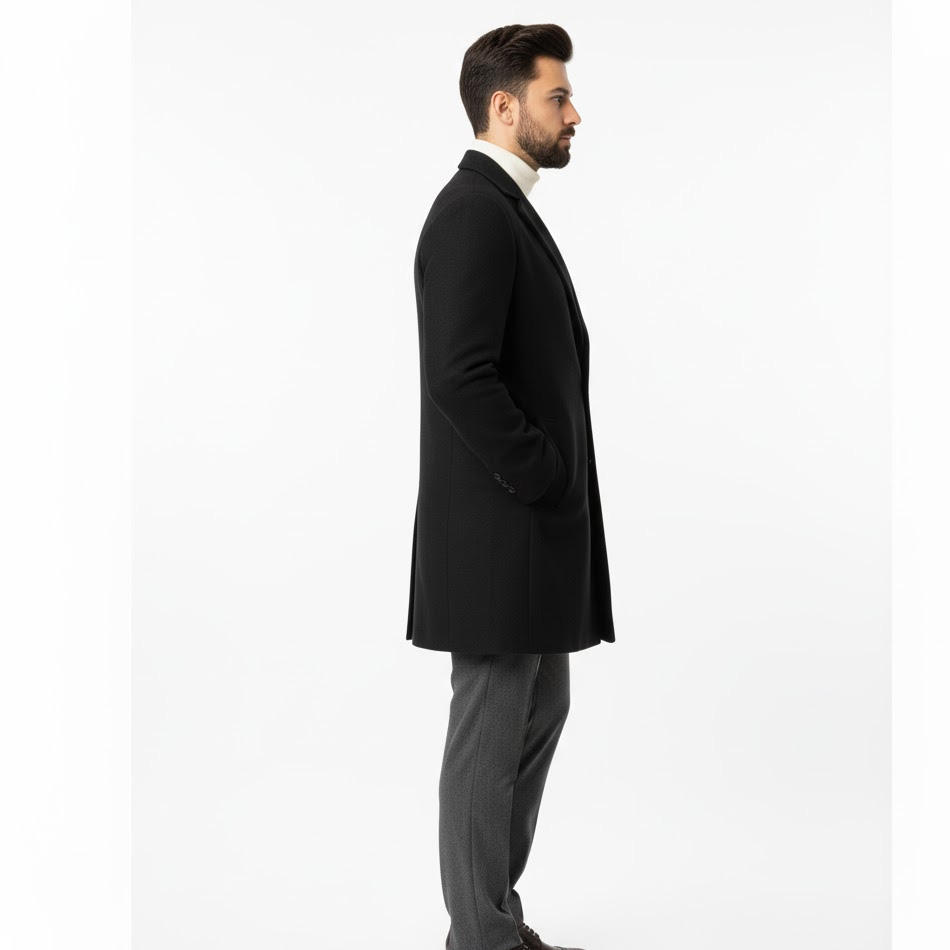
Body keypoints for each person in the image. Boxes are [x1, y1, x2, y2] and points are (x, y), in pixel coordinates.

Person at [406, 23, 616, 950]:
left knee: (540, 711)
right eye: (556, 96)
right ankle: (480, 937)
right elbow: (459, 375)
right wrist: (542, 472)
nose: (574, 113)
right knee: (491, 730)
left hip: (530, 531)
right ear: (504, 106)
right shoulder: (472, 212)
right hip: (501, 530)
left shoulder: (505, 208)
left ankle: (493, 917)